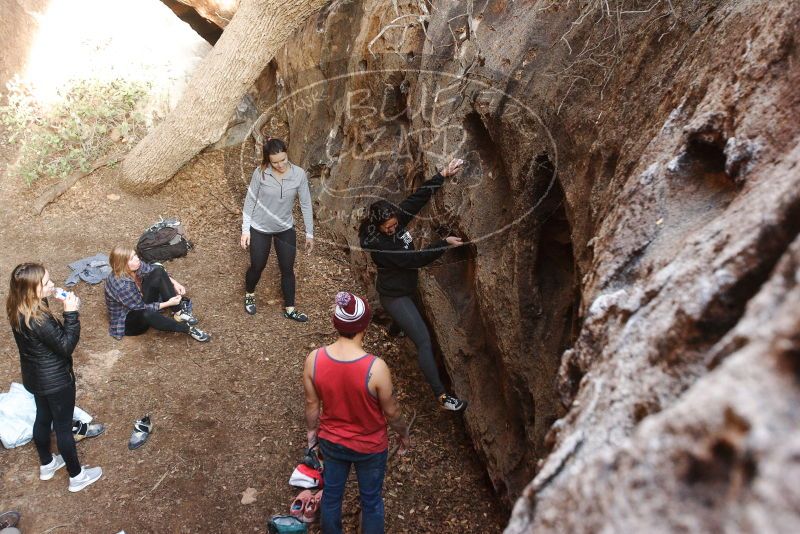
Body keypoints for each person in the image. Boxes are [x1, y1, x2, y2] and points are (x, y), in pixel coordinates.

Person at [358, 158, 468, 412]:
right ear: (377, 227)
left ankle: (395, 328)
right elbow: (414, 259)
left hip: (407, 288)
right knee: (424, 340)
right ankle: (443, 397)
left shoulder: (393, 223)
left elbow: (416, 200)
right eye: (389, 228)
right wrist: (443, 243)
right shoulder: (381, 246)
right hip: (396, 296)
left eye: (396, 224)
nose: (394, 229)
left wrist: (442, 175)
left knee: (409, 320)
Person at [303, 291, 410, 534]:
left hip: (331, 442)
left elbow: (312, 405)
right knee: (371, 501)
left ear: (336, 324)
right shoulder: (376, 368)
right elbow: (392, 413)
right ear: (365, 325)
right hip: (370, 447)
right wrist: (403, 434)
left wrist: (312, 435)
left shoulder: (314, 360)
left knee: (331, 495)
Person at [6, 263, 102, 492]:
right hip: (56, 382)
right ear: (31, 290)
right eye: (46, 283)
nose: (52, 284)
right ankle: (77, 476)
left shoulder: (18, 306)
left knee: (42, 417)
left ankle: (47, 464)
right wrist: (71, 313)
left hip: (35, 379)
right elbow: (66, 346)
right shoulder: (39, 318)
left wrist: (51, 296)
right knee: (62, 426)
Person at [241, 137, 314, 322]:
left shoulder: (298, 174)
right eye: (275, 162)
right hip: (260, 227)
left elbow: (306, 204)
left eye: (283, 160)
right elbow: (250, 201)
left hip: (285, 228)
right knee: (258, 266)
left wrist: (309, 232)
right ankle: (249, 293)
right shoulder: (261, 173)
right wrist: (245, 230)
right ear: (268, 160)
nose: (280, 165)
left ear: (287, 153)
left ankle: (290, 308)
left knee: (287, 268)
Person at [104, 246, 210, 342]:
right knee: (147, 313)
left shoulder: (135, 266)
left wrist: (175, 283)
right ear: (122, 265)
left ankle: (178, 312)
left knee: (158, 270)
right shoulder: (121, 286)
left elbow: (153, 270)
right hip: (129, 321)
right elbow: (141, 307)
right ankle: (187, 329)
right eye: (132, 258)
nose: (137, 259)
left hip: (139, 300)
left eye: (135, 255)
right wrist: (168, 303)